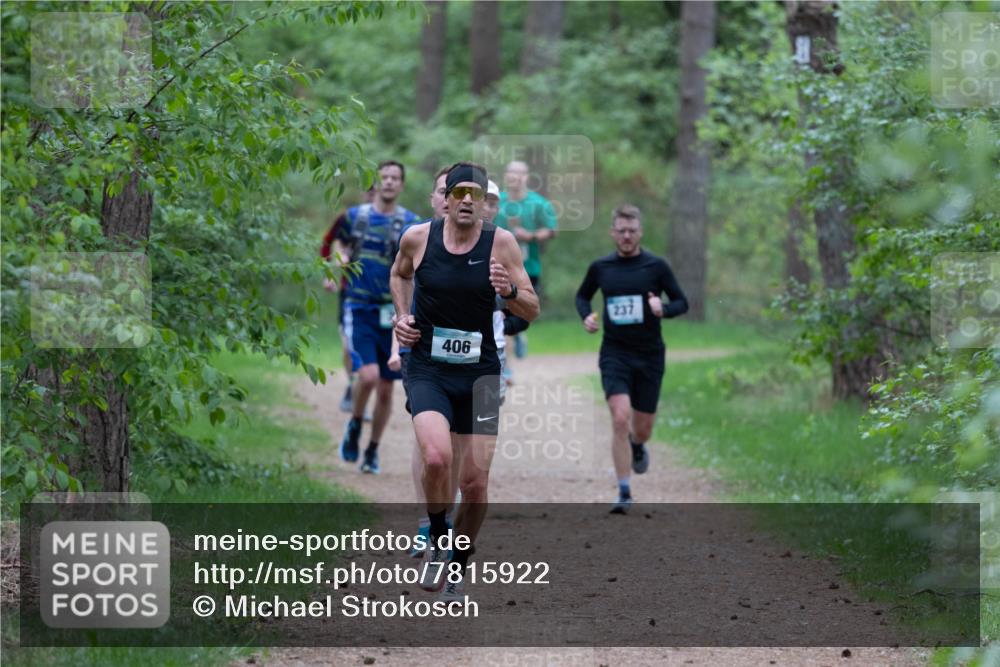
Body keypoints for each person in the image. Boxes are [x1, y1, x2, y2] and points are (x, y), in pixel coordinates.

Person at [390, 162, 539, 602]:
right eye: (460, 193)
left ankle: (458, 560)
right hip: (427, 367)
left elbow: (532, 309)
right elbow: (400, 273)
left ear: (486, 202)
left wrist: (509, 293)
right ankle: (438, 535)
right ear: (446, 199)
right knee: (436, 458)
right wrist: (402, 316)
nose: (468, 201)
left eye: (476, 194)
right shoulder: (418, 238)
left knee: (474, 484)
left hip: (481, 373)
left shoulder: (502, 244)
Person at [574, 204, 688, 514]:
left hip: (650, 355)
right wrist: (587, 317)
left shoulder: (656, 266)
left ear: (641, 232)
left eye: (632, 231)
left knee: (643, 427)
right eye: (621, 231)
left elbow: (682, 302)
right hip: (615, 353)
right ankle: (624, 491)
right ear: (613, 233)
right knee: (620, 417)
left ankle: (638, 445)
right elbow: (582, 296)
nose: (626, 236)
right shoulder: (601, 267)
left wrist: (663, 308)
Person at [337, 161, 419, 473]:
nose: (388, 182)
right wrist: (339, 262)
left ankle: (372, 449)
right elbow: (339, 244)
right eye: (383, 177)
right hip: (359, 306)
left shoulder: (411, 224)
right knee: (368, 376)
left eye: (394, 178)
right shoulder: (355, 217)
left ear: (401, 184)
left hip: (394, 311)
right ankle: (355, 423)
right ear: (377, 183)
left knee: (386, 388)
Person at [494, 160, 557, 365]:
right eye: (512, 173)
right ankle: (507, 365)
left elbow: (551, 230)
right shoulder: (497, 201)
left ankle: (518, 334)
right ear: (506, 176)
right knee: (501, 312)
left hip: (528, 268)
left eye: (520, 174)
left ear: (527, 177)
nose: (516, 177)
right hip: (498, 267)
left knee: (519, 312)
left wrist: (530, 236)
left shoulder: (538, 203)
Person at [321, 187, 375, 413]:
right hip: (350, 292)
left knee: (372, 346)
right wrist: (331, 272)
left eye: (377, 191)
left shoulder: (399, 220)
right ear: (364, 193)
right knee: (348, 343)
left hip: (380, 297)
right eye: (370, 191)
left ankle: (363, 391)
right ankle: (351, 386)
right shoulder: (351, 217)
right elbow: (328, 243)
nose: (374, 196)